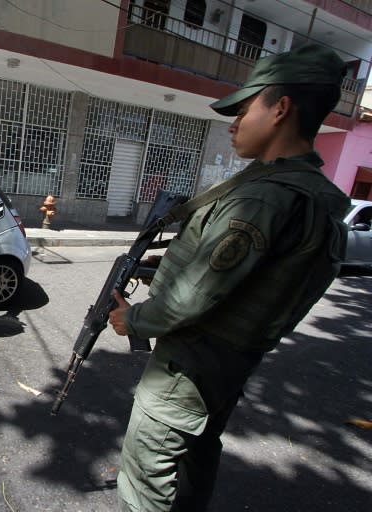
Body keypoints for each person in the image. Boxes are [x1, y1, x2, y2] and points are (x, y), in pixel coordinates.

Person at [107, 44, 350, 511]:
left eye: (244, 109)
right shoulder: (309, 194)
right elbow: (245, 275)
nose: (233, 123)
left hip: (189, 368)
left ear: (280, 109)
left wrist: (132, 320)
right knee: (195, 459)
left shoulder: (261, 198)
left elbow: (189, 299)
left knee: (145, 480)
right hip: (227, 364)